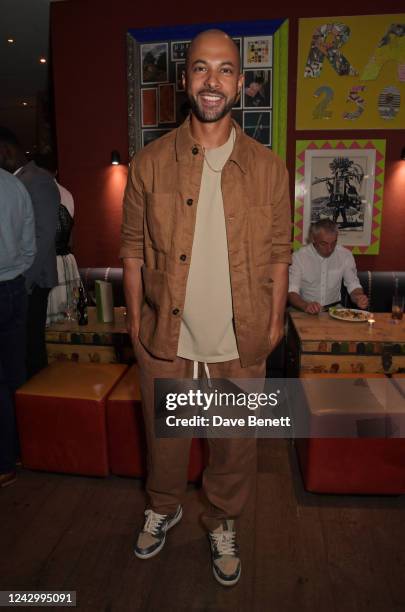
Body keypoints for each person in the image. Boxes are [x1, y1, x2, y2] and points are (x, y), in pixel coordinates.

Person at [120, 29, 291, 586]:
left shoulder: (269, 168)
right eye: (200, 68)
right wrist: (135, 329)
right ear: (185, 79)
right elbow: (131, 253)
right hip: (166, 342)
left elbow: (279, 255)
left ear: (241, 84)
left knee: (233, 450)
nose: (211, 81)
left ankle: (221, 521)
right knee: (164, 445)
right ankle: (164, 505)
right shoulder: (148, 163)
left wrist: (268, 330)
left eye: (224, 70)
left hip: (241, 344)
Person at [0, 128, 59, 378]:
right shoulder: (20, 180)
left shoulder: (37, 179)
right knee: (22, 352)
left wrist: (24, 280)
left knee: (31, 350)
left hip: (33, 279)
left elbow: (43, 235)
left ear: (6, 150)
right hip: (23, 277)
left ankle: (34, 406)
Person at [0, 168, 36, 488]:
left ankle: (5, 461)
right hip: (14, 287)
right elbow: (29, 244)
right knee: (15, 374)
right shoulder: (14, 185)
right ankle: (25, 451)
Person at [34, 153, 82, 325]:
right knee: (70, 318)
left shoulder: (35, 192)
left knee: (48, 323)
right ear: (55, 171)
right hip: (67, 261)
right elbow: (71, 240)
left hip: (48, 263)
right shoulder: (67, 194)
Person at [288, 219, 368, 314]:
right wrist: (306, 305)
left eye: (333, 243)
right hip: (303, 309)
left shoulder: (345, 255)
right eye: (323, 244)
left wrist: (358, 297)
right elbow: (292, 292)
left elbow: (353, 285)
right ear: (313, 238)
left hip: (334, 311)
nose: (329, 249)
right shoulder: (298, 257)